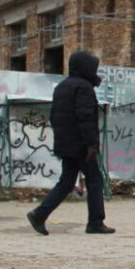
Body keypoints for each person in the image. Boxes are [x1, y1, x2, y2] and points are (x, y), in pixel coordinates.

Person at [27, 50, 113, 235]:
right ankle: (95, 223)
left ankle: (39, 214)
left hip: (66, 144)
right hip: (81, 145)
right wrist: (91, 145)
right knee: (95, 181)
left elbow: (55, 117)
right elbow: (85, 118)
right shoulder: (83, 88)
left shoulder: (62, 87)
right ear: (85, 68)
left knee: (66, 182)